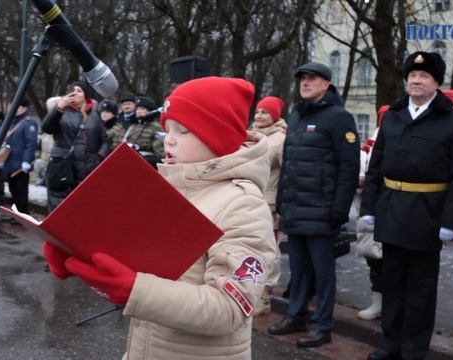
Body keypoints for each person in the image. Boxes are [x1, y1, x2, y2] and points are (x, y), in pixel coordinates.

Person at [43, 76, 276, 360]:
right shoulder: (170, 188)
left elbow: (229, 309)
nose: (170, 140)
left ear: (219, 134)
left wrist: (133, 290)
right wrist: (77, 251)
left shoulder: (243, 204)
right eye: (167, 129)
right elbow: (142, 267)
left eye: (184, 130)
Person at [361, 51, 453, 360]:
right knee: (392, 282)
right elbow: (376, 166)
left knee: (420, 291)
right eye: (412, 74)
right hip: (392, 209)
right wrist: (369, 208)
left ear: (436, 83)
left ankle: (413, 350)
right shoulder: (394, 115)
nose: (416, 80)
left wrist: (452, 222)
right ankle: (391, 344)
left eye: (424, 76)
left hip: (428, 213)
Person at [267, 62, 360, 348]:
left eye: (312, 79)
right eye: (302, 79)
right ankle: (295, 315)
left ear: (326, 84)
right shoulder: (296, 117)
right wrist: (283, 202)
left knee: (323, 272)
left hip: (322, 210)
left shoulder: (339, 117)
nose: (305, 83)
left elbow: (348, 168)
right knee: (299, 269)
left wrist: (339, 210)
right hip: (295, 208)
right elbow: (289, 165)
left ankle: (322, 325)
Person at [41, 81, 110, 211]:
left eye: (79, 91)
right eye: (71, 91)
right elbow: (47, 128)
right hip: (63, 166)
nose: (75, 93)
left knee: (83, 207)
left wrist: (99, 157)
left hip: (87, 168)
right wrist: (59, 108)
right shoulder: (61, 111)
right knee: (59, 205)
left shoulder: (95, 113)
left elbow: (105, 139)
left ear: (85, 95)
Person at [250, 95, 287, 315]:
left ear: (275, 116)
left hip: (269, 201)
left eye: (265, 112)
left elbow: (287, 172)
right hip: (248, 198)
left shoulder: (280, 140)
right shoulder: (250, 134)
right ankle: (251, 290)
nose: (259, 116)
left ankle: (265, 294)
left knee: (269, 249)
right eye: (258, 111)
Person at [356, 105, 389, 321]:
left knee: (392, 260)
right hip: (370, 207)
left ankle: (392, 305)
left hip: (392, 208)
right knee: (374, 257)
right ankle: (377, 303)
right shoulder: (370, 143)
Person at [2, 98, 38, 218]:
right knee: (13, 190)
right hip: (10, 162)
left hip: (20, 164)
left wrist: (26, 160)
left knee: (21, 191)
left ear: (24, 108)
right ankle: (15, 213)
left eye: (15, 106)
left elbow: (31, 143)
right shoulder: (11, 122)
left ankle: (22, 215)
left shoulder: (29, 123)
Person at [123, 96, 164, 168]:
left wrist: (146, 159)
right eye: (137, 109)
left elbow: (161, 154)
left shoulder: (155, 127)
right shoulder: (133, 126)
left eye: (142, 109)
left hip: (146, 164)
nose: (138, 111)